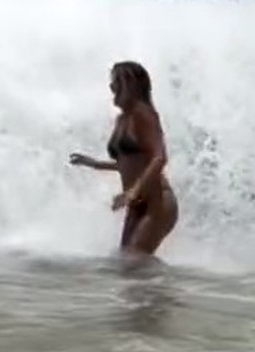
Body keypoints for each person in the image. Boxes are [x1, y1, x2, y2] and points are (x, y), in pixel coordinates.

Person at [69, 61, 178, 257]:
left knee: (135, 261)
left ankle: (166, 286)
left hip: (157, 200)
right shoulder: (122, 120)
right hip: (137, 203)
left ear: (133, 85)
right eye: (112, 83)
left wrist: (133, 192)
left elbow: (159, 158)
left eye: (117, 82)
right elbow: (131, 164)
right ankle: (159, 287)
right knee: (125, 262)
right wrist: (94, 164)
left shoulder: (143, 114)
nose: (112, 88)